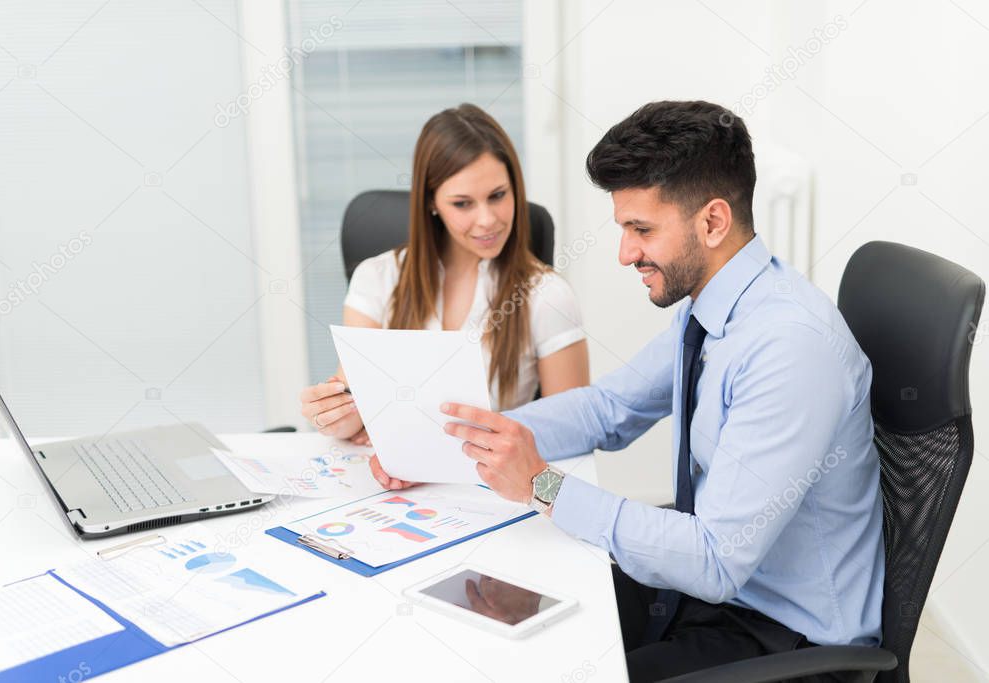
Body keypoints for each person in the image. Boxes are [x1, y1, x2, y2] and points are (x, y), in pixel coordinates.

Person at [421, 101, 885, 681]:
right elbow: (611, 408)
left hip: (783, 637)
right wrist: (473, 436)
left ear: (712, 222)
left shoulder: (789, 347)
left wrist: (542, 483)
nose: (625, 253)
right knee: (511, 624)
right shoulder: (714, 309)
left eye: (641, 229)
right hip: (712, 594)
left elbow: (716, 559)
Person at [300, 103, 590, 455]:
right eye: (463, 204)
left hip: (494, 487)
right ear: (432, 203)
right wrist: (334, 416)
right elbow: (355, 415)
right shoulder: (376, 279)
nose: (487, 220)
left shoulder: (547, 296)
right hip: (402, 486)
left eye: (498, 196)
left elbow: (573, 431)